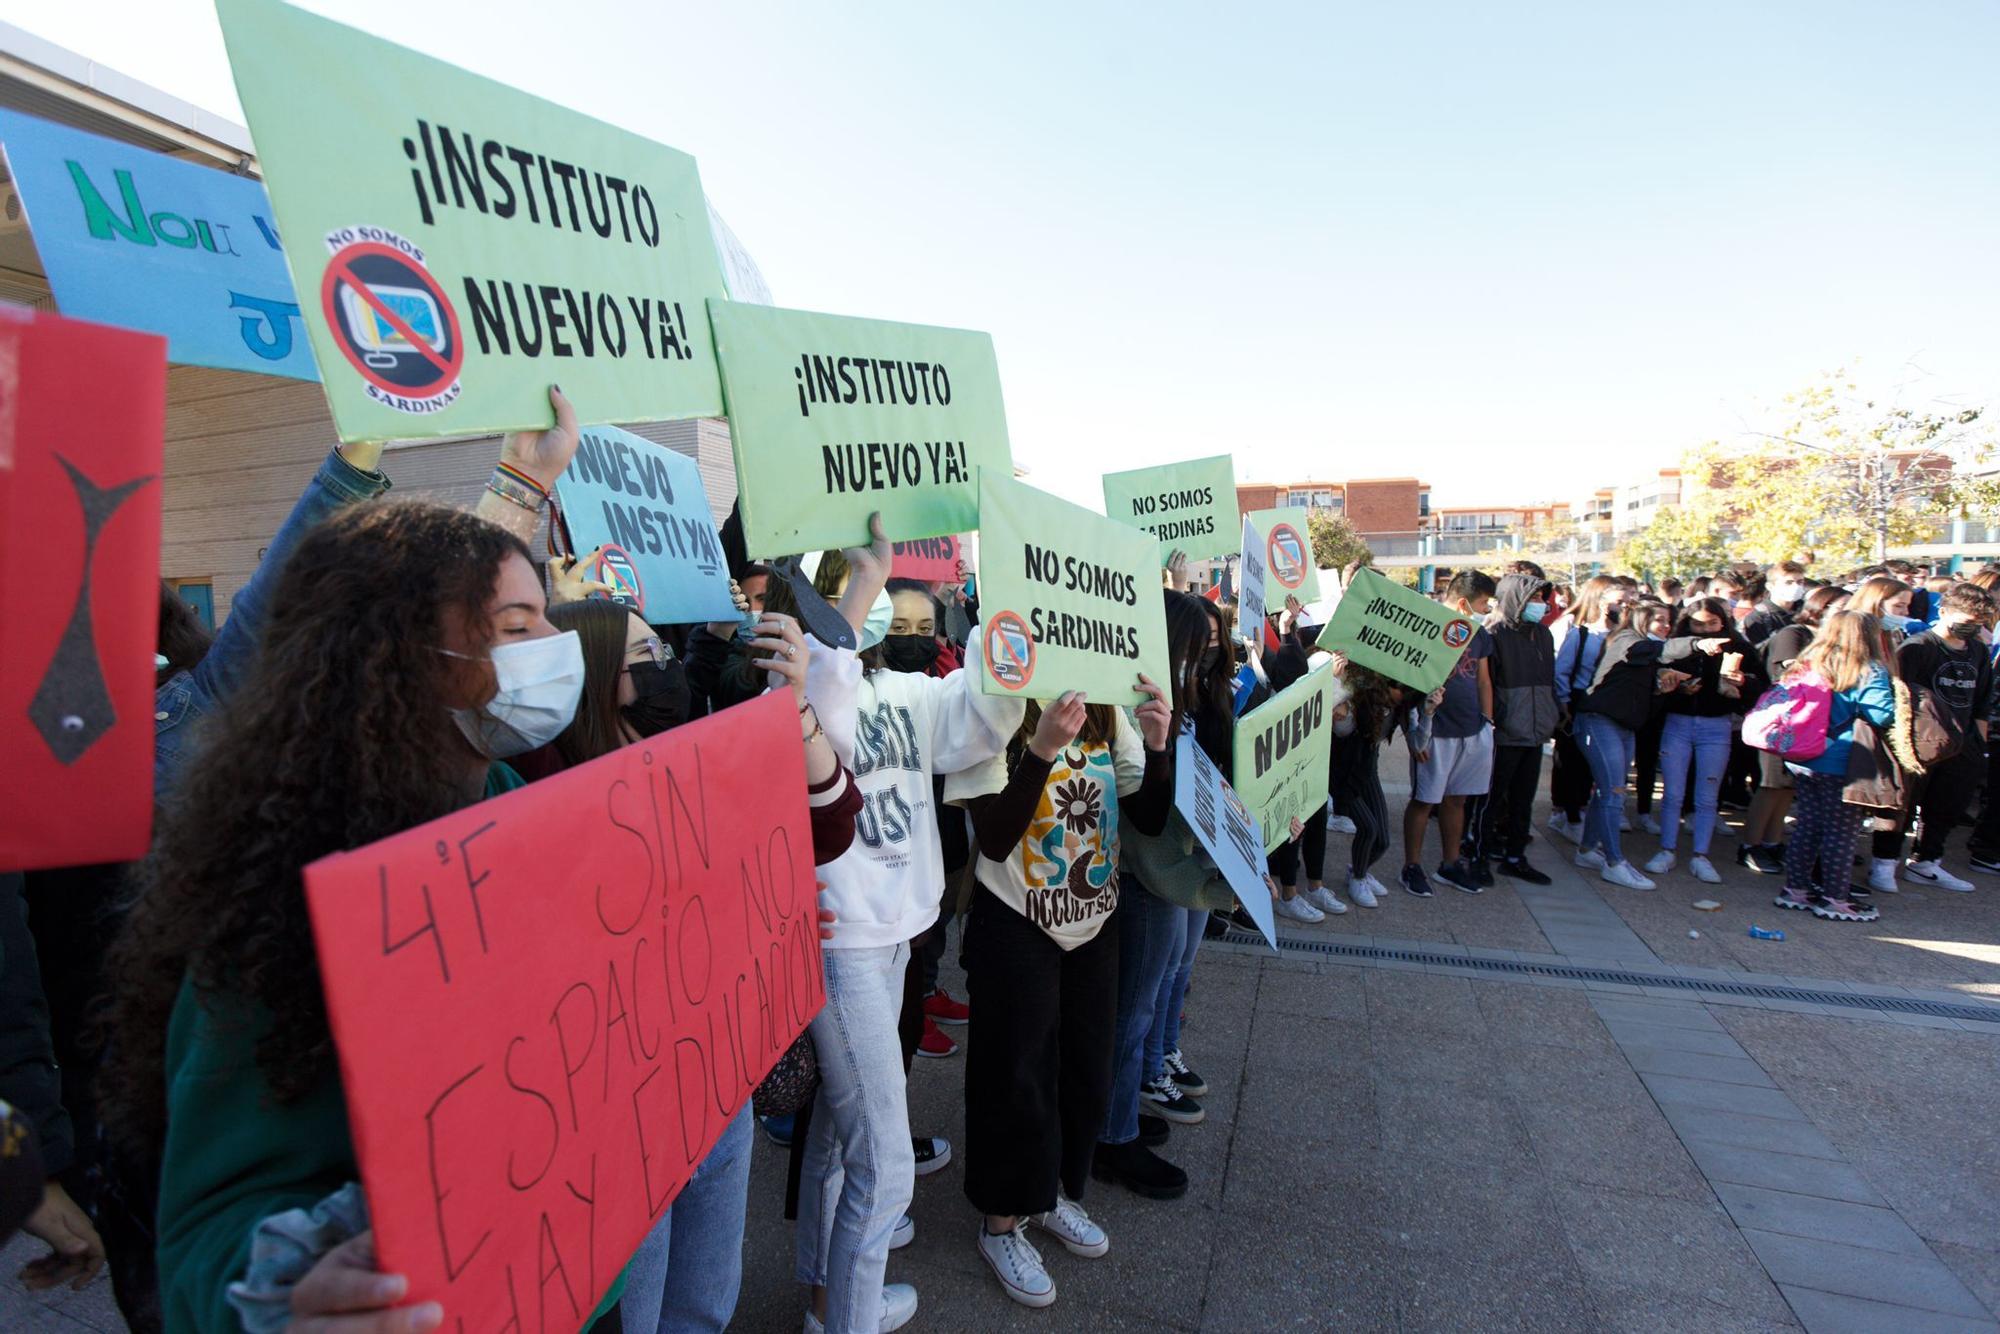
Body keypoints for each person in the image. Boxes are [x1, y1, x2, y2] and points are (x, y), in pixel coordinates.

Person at [103, 495, 596, 1334]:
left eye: (545, 617)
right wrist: (291, 1299)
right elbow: (208, 1228)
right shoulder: (278, 894)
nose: (557, 647)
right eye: (517, 626)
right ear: (400, 655)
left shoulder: (518, 807)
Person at [538, 597, 861, 1334]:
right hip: (621, 1122)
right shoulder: (544, 795)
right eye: (644, 660)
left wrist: (795, 705)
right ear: (589, 680)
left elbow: (833, 822)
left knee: (707, 1303)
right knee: (638, 1312)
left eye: (665, 652)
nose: (668, 673)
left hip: (715, 1085)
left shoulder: (697, 760)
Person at [797, 520, 1025, 1334]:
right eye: (861, 600)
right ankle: (847, 1317)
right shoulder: (798, 690)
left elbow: (977, 719)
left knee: (840, 1134)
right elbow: (815, 693)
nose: (889, 623)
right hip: (844, 940)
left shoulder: (907, 691)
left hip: (898, 929)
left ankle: (828, 1298)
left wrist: (1016, 635)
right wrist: (862, 584)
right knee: (885, 1167)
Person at [947, 674, 1173, 1310]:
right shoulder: (990, 692)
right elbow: (991, 836)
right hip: (1015, 919)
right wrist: (1040, 750)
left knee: (1084, 1063)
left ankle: (1050, 1193)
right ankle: (1000, 1222)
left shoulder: (1102, 696)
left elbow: (1147, 817)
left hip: (1093, 917)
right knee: (1013, 1072)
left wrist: (1159, 747)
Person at [1096, 591, 1240, 1199]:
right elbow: (1147, 809)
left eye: (1213, 645)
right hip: (1144, 876)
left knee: (1146, 1001)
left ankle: (1119, 1116)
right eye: (1196, 644)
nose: (1206, 655)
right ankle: (1112, 1137)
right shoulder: (1138, 704)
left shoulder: (1190, 700)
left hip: (1167, 870)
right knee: (1133, 1010)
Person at [1867, 582, 1997, 895]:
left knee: (1946, 805)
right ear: (1945, 611)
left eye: (1981, 619)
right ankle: (1883, 863)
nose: (1973, 625)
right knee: (1903, 804)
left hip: (1961, 742)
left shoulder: (1978, 650)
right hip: (1917, 742)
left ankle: (1927, 862)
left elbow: (1982, 699)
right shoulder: (1917, 647)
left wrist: (1976, 745)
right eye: (1968, 617)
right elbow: (1897, 695)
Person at [1775, 610, 1898, 921]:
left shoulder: (1809, 661)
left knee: (1807, 825)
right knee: (1841, 832)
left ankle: (1796, 889)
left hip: (1803, 756)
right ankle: (1835, 898)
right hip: (1841, 758)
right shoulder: (1867, 669)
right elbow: (1881, 714)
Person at [1644, 598, 1765, 884]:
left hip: (1717, 725)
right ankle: (1667, 849)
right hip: (1677, 722)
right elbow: (1652, 678)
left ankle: (1701, 855)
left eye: (1712, 623)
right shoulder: (1675, 646)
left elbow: (1762, 685)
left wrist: (1742, 683)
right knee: (1672, 794)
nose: (1706, 629)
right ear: (1687, 623)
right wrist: (1672, 684)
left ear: (1724, 621)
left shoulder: (1740, 647)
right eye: (1698, 623)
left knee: (1708, 796)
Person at [1400, 571, 1496, 896]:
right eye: (1484, 603)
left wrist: (1488, 723)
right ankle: (1411, 867)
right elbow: (1406, 684)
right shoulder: (1426, 628)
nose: (1488, 609)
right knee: (1425, 800)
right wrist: (1416, 733)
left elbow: (1483, 680)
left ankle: (1450, 864)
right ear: (1465, 603)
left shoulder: (1479, 634)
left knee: (1457, 800)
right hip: (1435, 731)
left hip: (1473, 731)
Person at [1741, 586, 1849, 873]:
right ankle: (1750, 844)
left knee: (1788, 788)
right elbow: (1790, 673)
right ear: (1821, 606)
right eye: (1840, 606)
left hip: (1813, 725)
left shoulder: (1830, 639)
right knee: (1770, 785)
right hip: (1786, 721)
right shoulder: (1794, 634)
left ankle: (1772, 842)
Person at [1472, 573, 1560, 884]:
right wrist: (1492, 719)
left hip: (1535, 732)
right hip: (1505, 731)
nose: (1540, 604)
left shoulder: (1543, 635)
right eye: (1534, 598)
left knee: (1524, 799)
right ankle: (1478, 855)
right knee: (1491, 799)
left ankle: (1515, 856)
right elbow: (1485, 682)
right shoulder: (1493, 633)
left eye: (1541, 598)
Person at [1550, 576, 1627, 844]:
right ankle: (1571, 815)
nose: (1625, 606)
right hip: (1581, 703)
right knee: (1575, 765)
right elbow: (1562, 671)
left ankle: (1588, 814)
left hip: (1615, 706)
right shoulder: (1581, 634)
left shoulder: (1626, 637)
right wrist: (1564, 705)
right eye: (1619, 601)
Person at [1742, 561, 1805, 646]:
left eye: (1800, 582)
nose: (1796, 587)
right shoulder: (1758, 618)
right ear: (1770, 587)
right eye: (1788, 582)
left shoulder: (1808, 610)